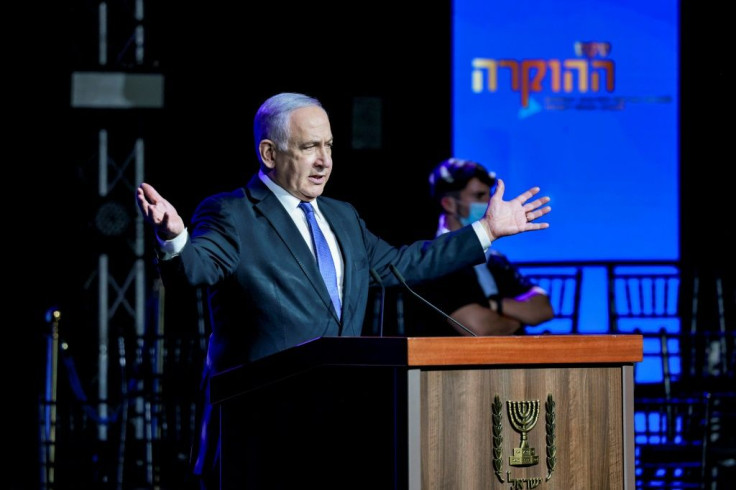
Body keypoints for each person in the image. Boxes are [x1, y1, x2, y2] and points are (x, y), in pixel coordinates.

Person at [135, 92, 551, 487]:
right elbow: (196, 270)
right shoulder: (232, 212)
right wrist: (174, 238)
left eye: (329, 146)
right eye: (309, 147)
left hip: (340, 427)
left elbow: (405, 264)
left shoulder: (342, 216)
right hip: (262, 431)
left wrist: (487, 230)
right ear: (269, 153)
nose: (324, 161)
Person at [407, 158, 555, 337]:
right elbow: (481, 328)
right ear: (449, 204)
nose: (489, 203)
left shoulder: (496, 260)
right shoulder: (433, 260)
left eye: (489, 195)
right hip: (457, 361)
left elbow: (543, 309)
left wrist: (494, 304)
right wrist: (519, 317)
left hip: (511, 360)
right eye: (479, 196)